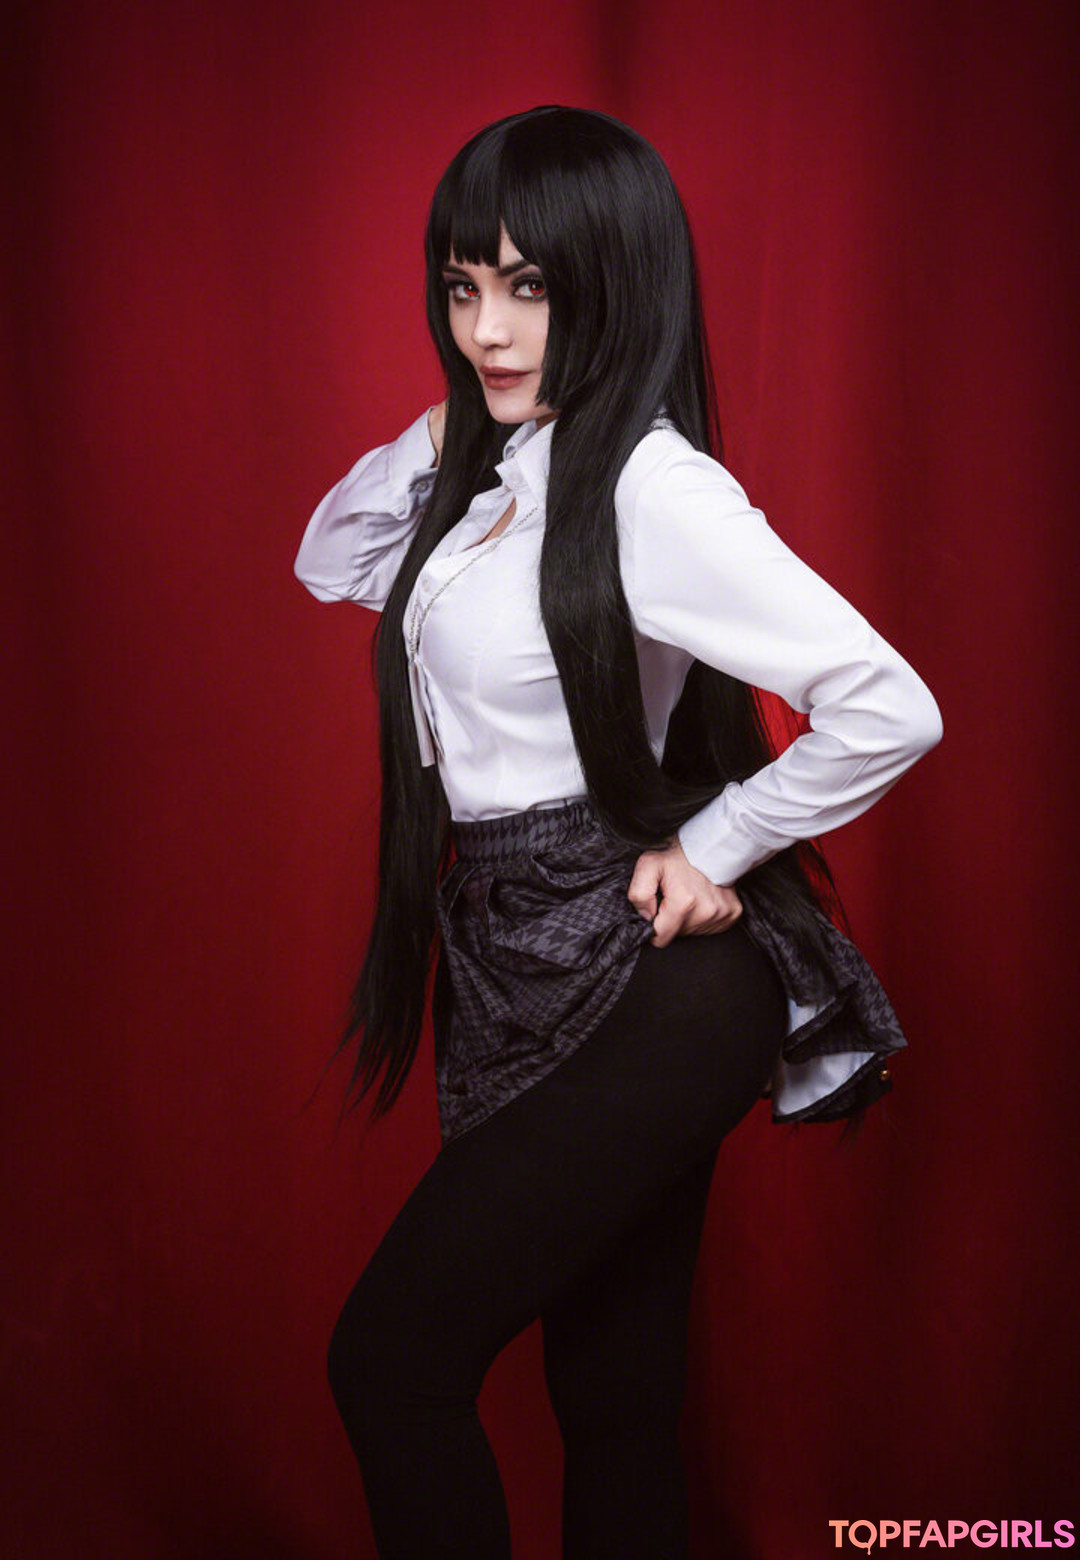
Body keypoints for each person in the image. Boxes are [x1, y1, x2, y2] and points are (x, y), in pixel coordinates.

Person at [293, 105, 943, 1560]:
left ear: (615, 280)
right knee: (616, 1399)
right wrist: (460, 425)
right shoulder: (500, 477)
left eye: (530, 286)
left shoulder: (652, 487)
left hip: (654, 973)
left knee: (392, 1362)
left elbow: (889, 705)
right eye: (463, 286)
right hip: (510, 944)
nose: (487, 329)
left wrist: (719, 843)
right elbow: (332, 555)